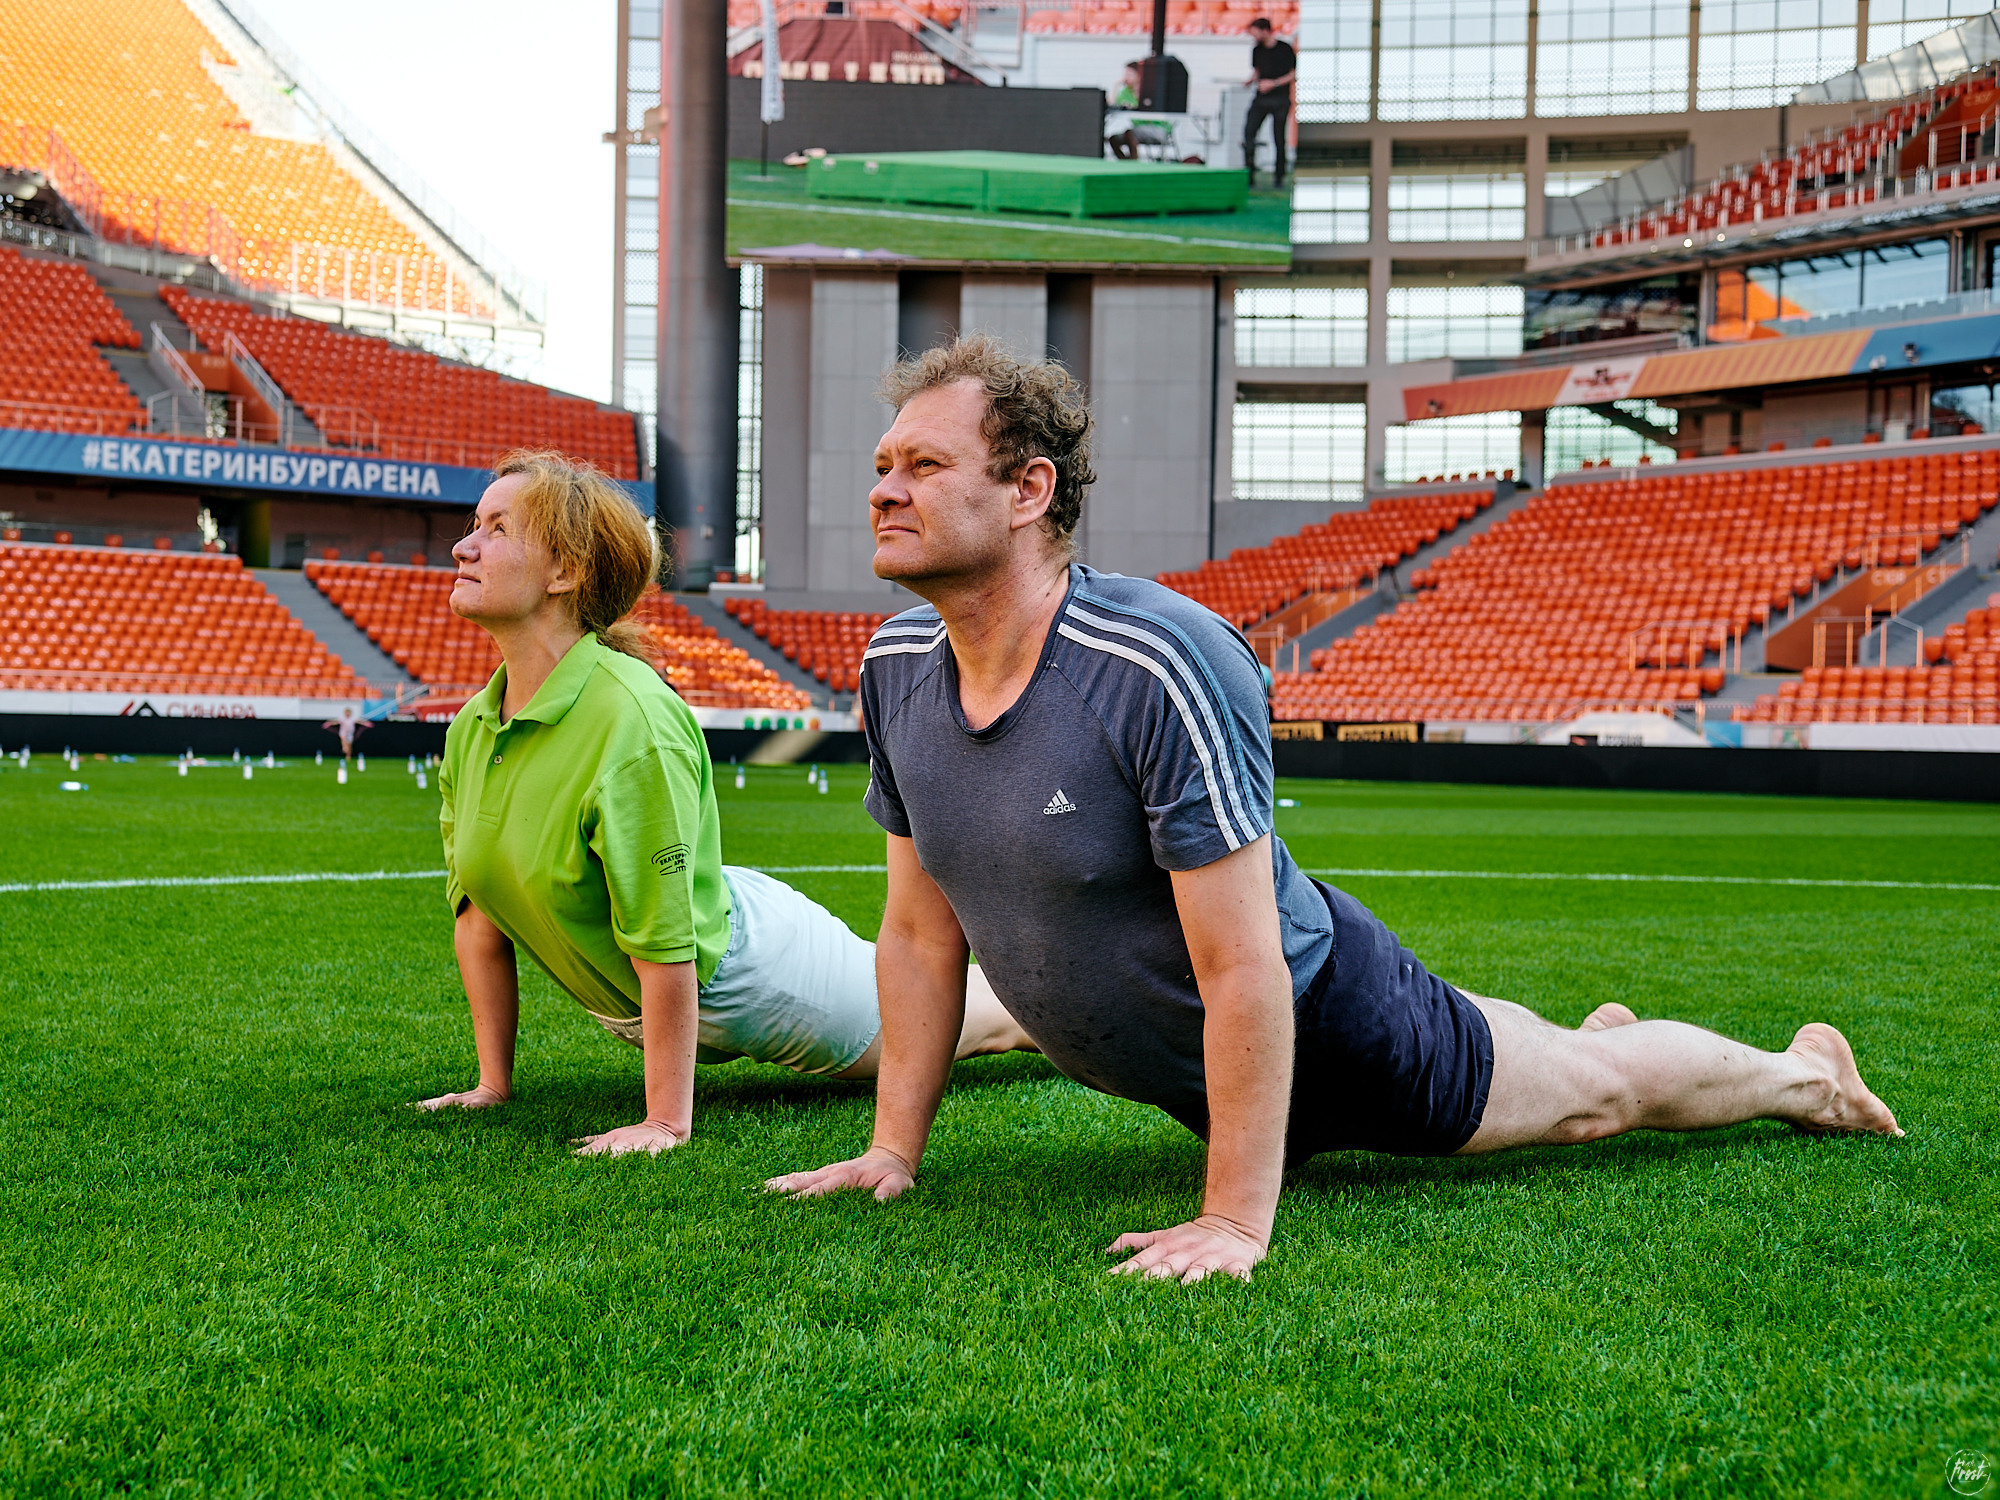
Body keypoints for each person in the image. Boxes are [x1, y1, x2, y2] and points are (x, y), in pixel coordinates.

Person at [764, 338, 1901, 1281]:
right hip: (1200, 1075)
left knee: (1588, 1103)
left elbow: (1245, 966)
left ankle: (1805, 1076)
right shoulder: (895, 662)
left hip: (1330, 1022)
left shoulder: (1155, 659)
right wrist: (889, 1152)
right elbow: (918, 933)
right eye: (881, 463)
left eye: (921, 463)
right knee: (1545, 1058)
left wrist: (1232, 1220)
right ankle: (1563, 1043)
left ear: (1027, 490)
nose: (882, 488)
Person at [416, 449, 1033, 1154]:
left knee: (988, 1022)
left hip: (752, 973)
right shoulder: (473, 728)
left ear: (566, 571)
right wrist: (491, 1085)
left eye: (497, 529)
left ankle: (1075, 990)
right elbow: (479, 918)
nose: (464, 546)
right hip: (680, 955)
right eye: (474, 524)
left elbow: (669, 940)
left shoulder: (632, 721)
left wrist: (665, 1122)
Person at [1241, 16, 1295, 188]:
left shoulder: (1284, 49)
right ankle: (1249, 173)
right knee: (1249, 133)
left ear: (1265, 31)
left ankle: (1279, 176)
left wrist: (1274, 83)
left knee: (1278, 138)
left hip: (1279, 99)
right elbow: (1257, 71)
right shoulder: (1257, 50)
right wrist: (1250, 81)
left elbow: (1293, 74)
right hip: (1261, 99)